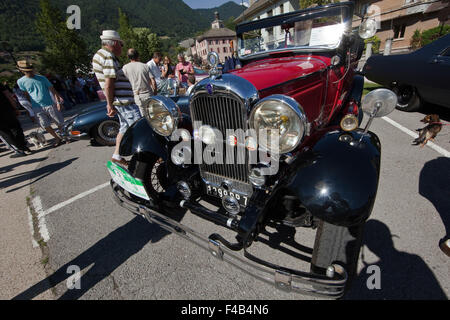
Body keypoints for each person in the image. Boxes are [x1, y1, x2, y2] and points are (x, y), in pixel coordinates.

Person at [92, 30, 141, 166]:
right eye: (121, 44)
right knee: (138, 127)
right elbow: (109, 83)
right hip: (124, 102)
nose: (122, 47)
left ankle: (117, 155)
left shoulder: (102, 55)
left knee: (124, 127)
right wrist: (110, 104)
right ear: (113, 43)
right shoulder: (107, 56)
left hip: (121, 101)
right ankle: (143, 157)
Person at [16, 60, 66, 147]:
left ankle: (64, 136)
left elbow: (53, 90)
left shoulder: (42, 78)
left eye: (31, 70)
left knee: (59, 122)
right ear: (22, 71)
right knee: (45, 125)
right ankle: (57, 138)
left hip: (49, 103)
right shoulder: (20, 81)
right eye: (27, 71)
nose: (30, 72)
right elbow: (26, 94)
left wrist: (58, 102)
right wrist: (30, 107)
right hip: (36, 107)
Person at [122, 48, 157, 117]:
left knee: (143, 117)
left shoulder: (125, 68)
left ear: (128, 57)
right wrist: (155, 93)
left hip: (137, 96)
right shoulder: (145, 66)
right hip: (148, 94)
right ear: (138, 56)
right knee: (153, 116)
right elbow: (153, 81)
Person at [0, 82, 32, 157]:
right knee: (16, 128)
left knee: (6, 133)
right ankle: (23, 146)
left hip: (6, 111)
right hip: (7, 109)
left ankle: (19, 149)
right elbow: (8, 95)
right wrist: (15, 107)